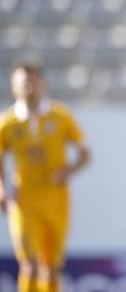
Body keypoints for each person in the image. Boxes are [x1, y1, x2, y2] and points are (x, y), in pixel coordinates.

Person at [0, 62, 91, 292]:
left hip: (56, 200)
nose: (29, 87)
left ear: (43, 85)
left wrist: (67, 171)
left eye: (33, 82)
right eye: (23, 83)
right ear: (14, 88)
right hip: (24, 201)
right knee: (29, 264)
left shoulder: (60, 116)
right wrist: (2, 188)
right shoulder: (8, 122)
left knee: (50, 268)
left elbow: (85, 153)